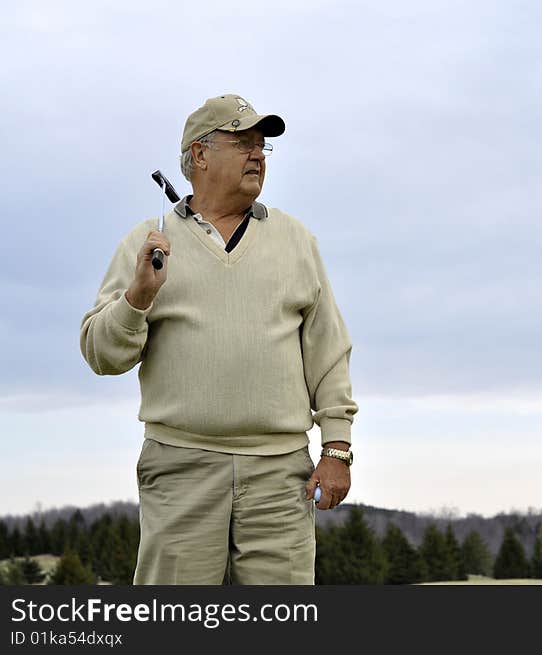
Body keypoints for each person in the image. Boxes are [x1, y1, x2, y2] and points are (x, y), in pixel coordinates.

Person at [80, 93, 358, 584]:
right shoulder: (149, 242)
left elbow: (328, 354)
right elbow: (101, 354)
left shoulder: (297, 242)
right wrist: (139, 296)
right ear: (200, 155)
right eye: (243, 142)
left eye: (262, 146)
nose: (258, 154)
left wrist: (337, 449)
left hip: (280, 476)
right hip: (181, 469)